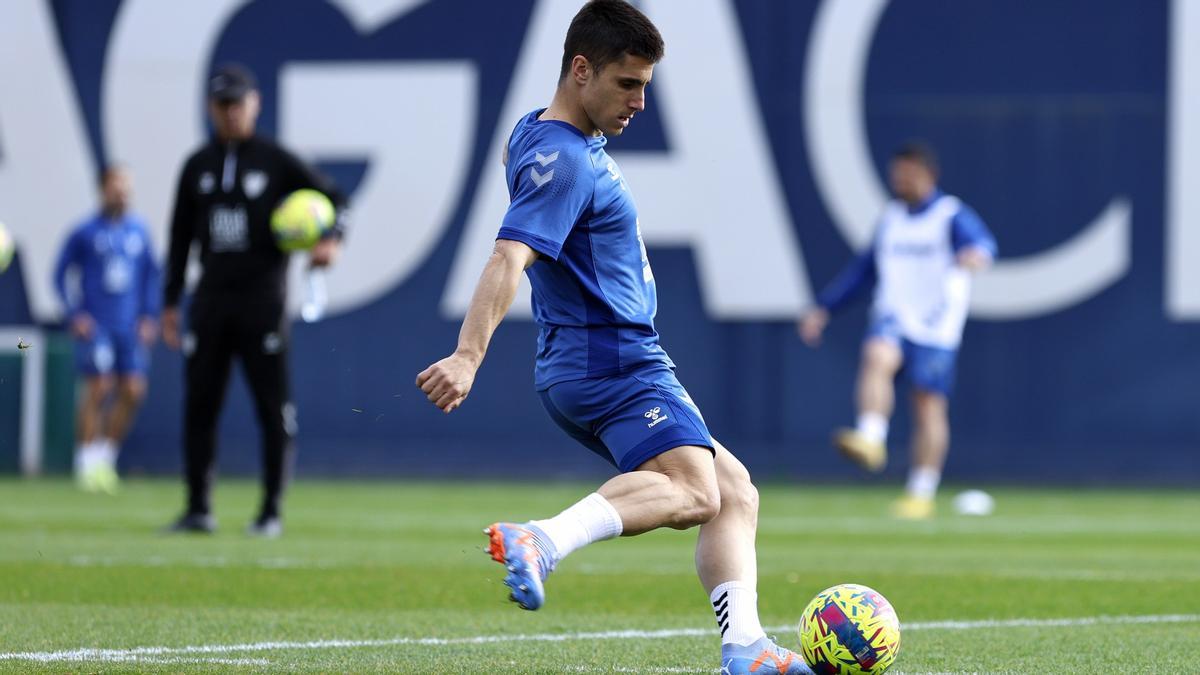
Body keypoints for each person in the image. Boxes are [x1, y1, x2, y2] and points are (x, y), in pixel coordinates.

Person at [416, 3, 813, 673]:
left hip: (593, 359)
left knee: (735, 489)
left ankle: (745, 646)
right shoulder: (565, 160)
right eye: (627, 84)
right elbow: (508, 257)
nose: (640, 102)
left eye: (646, 86)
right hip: (613, 360)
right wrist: (467, 354)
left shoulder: (537, 135)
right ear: (580, 70)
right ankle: (541, 539)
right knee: (697, 493)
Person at [161, 63, 346, 537]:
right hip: (210, 303)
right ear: (210, 108)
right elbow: (180, 237)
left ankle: (270, 511)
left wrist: (331, 238)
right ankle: (198, 507)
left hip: (261, 302)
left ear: (254, 104)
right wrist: (169, 303)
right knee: (200, 404)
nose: (229, 113)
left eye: (237, 104)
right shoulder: (195, 165)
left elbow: (334, 198)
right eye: (222, 105)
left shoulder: (275, 159)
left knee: (273, 407)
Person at [798, 142, 997, 520]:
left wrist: (976, 256)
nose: (901, 181)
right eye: (897, 174)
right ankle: (871, 436)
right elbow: (864, 272)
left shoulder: (949, 214)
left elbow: (983, 244)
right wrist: (825, 307)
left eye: (909, 174)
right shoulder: (891, 218)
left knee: (928, 405)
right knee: (877, 355)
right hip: (894, 315)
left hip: (937, 326)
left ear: (928, 175)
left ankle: (921, 492)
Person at [53, 164, 161, 494]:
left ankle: (106, 457)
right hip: (97, 324)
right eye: (117, 187)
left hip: (128, 326)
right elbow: (59, 276)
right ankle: (85, 461)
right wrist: (76, 314)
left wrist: (149, 316)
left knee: (133, 390)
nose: (123, 194)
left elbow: (151, 276)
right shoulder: (84, 232)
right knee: (98, 387)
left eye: (127, 188)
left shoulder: (139, 231)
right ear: (103, 189)